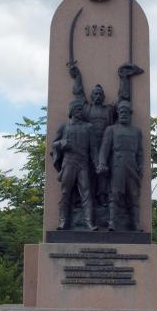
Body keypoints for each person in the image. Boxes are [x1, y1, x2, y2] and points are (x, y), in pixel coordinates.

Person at [70, 62, 143, 207]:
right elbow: (78, 95)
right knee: (89, 173)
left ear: (103, 97)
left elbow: (123, 99)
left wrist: (124, 79)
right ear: (92, 96)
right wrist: (77, 76)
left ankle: (104, 198)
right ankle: (85, 201)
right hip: (89, 146)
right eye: (95, 93)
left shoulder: (109, 110)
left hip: (107, 145)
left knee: (105, 174)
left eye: (100, 94)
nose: (97, 96)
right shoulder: (86, 109)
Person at [51, 99, 98, 231]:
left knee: (86, 193)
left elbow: (94, 150)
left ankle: (89, 222)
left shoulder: (88, 127)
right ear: (71, 111)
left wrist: (97, 165)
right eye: (77, 110)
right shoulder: (64, 127)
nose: (80, 112)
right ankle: (63, 221)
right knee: (66, 192)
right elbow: (53, 145)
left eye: (81, 110)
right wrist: (62, 144)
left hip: (83, 164)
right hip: (68, 163)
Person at [98, 100, 143, 232]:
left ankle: (135, 223)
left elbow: (140, 152)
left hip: (132, 165)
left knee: (133, 194)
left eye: (126, 112)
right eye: (121, 112)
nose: (123, 114)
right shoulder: (111, 130)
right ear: (117, 113)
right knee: (115, 193)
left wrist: (141, 165)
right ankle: (112, 222)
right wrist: (102, 163)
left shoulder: (136, 131)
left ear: (130, 114)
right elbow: (104, 150)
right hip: (117, 164)